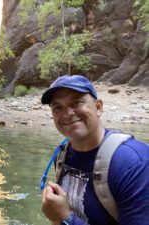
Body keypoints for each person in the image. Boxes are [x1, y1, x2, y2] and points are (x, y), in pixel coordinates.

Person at [40, 75, 149, 225]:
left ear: (98, 107)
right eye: (58, 107)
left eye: (76, 102)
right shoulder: (61, 155)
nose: (67, 114)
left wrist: (65, 218)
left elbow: (63, 217)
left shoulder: (134, 163)